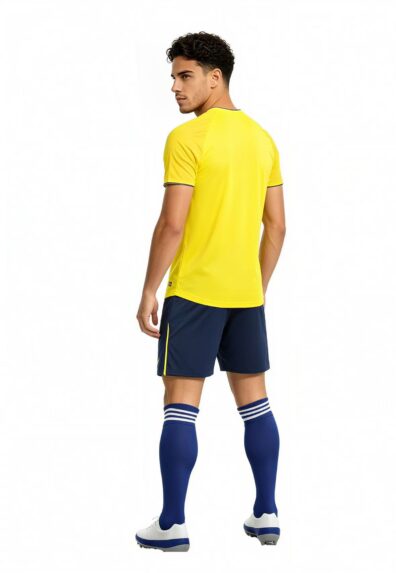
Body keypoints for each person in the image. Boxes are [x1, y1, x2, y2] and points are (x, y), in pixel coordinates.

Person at [135, 31, 286, 552]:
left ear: (215, 78)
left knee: (180, 406)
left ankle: (172, 523)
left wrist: (149, 289)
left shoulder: (187, 139)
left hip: (194, 293)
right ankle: (267, 513)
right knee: (256, 404)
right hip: (245, 297)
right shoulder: (263, 139)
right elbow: (277, 226)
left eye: (185, 76)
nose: (175, 88)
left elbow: (172, 224)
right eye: (173, 77)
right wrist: (254, 287)